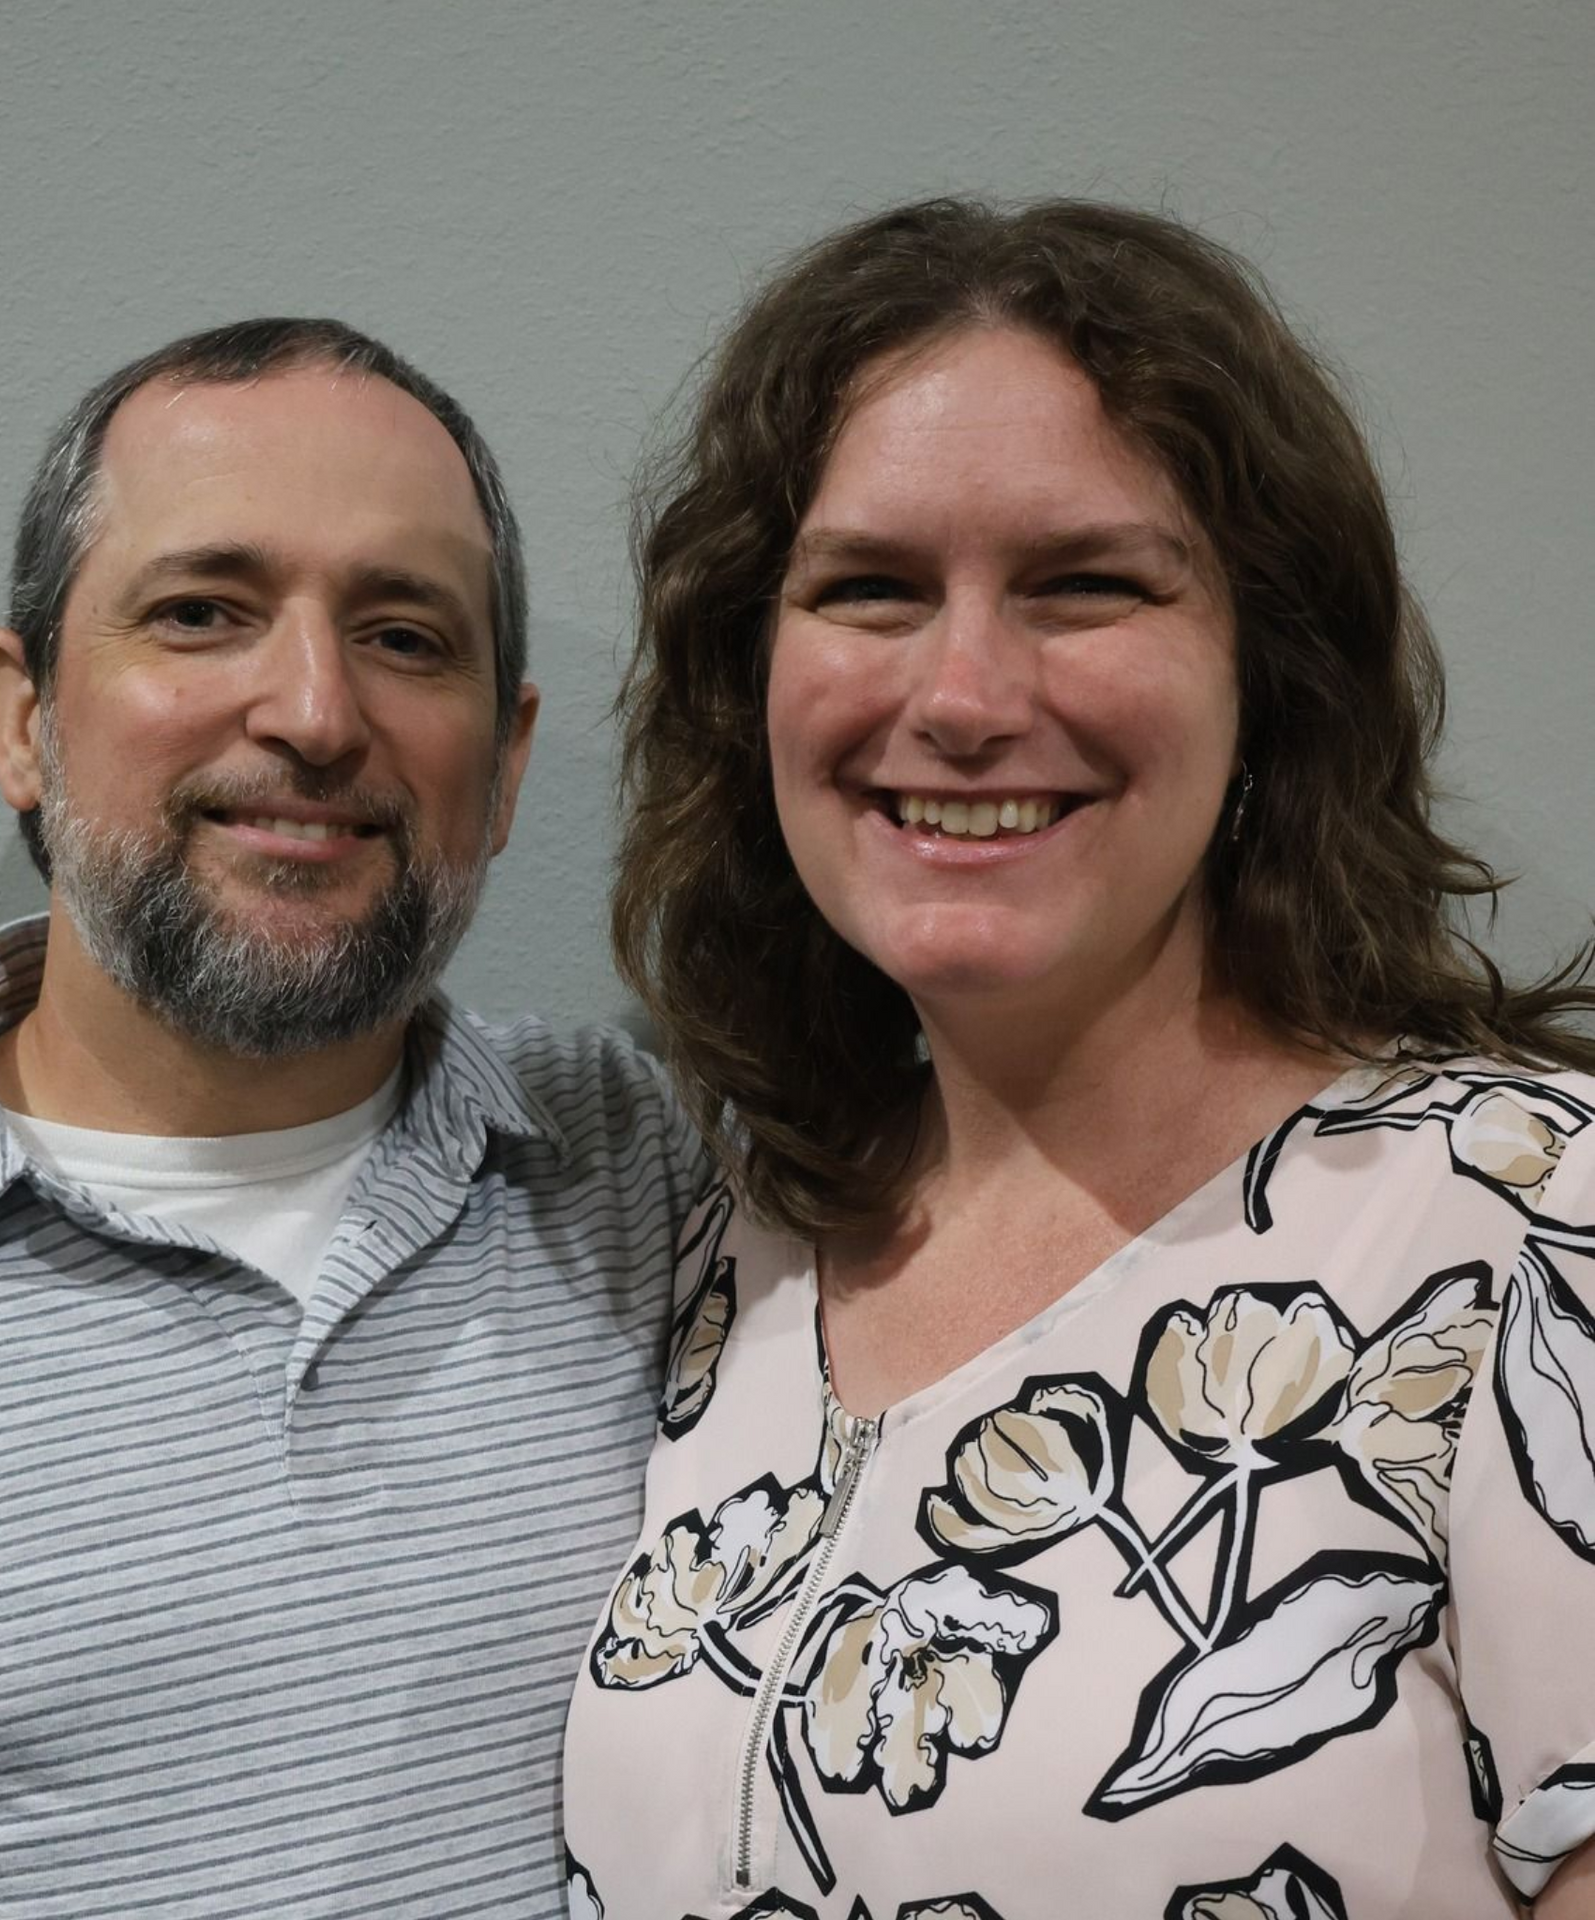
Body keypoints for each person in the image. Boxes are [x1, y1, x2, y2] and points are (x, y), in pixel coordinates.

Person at [562, 200, 1595, 1919]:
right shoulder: (730, 1250)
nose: (963, 694)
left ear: (1269, 671)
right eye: (870, 589)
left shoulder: (1529, 1227)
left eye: (1086, 586)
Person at [0, 317, 706, 1916]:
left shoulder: (650, 1179)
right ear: (23, 716)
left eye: (408, 637)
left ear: (503, 765)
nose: (311, 711)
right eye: (203, 612)